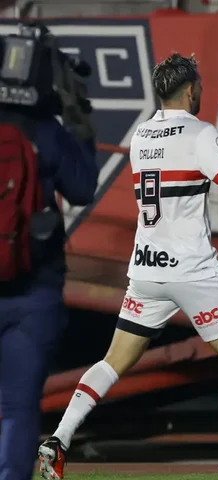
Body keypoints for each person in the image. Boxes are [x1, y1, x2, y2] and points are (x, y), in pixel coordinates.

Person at [37, 52, 218, 479]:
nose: (202, 91)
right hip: (192, 268)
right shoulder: (201, 132)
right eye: (200, 86)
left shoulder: (142, 135)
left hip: (147, 268)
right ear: (190, 90)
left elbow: (180, 172)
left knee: (112, 361)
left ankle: (59, 438)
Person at [0, 92, 98, 480]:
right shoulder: (44, 130)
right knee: (17, 407)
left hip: (33, 291)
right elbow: (82, 187)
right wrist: (81, 127)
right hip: (33, 289)